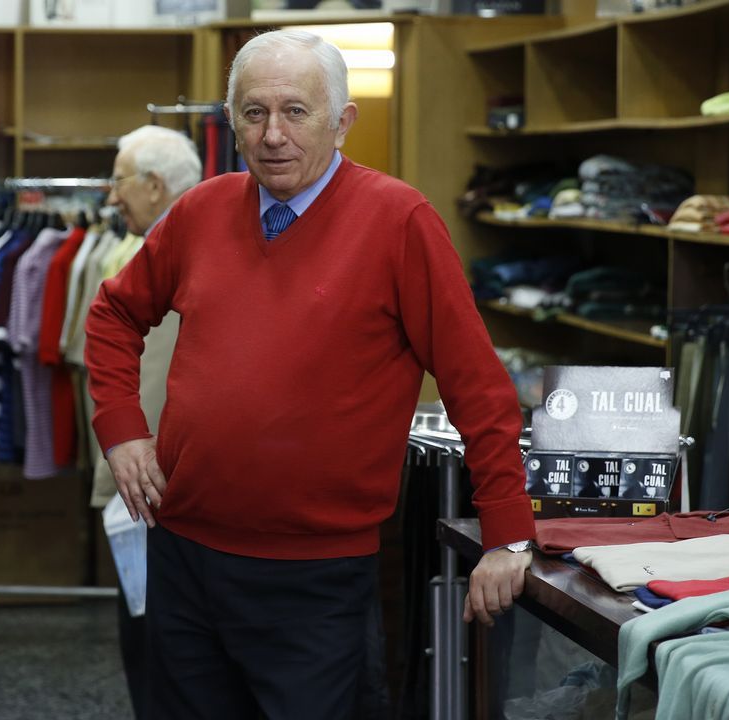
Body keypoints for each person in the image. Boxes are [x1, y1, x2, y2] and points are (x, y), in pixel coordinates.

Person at [85, 29, 536, 719]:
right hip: (184, 558)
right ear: (230, 118)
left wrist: (507, 534)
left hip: (315, 580)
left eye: (295, 111)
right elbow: (113, 314)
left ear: (341, 121)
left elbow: (476, 385)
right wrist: (121, 431)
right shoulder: (200, 212)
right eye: (254, 112)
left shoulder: (399, 220)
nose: (272, 134)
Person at [98, 124, 202, 719]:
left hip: (165, 489)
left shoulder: (184, 253)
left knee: (162, 650)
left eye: (119, 182)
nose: (112, 197)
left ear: (156, 186)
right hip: (143, 481)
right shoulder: (135, 255)